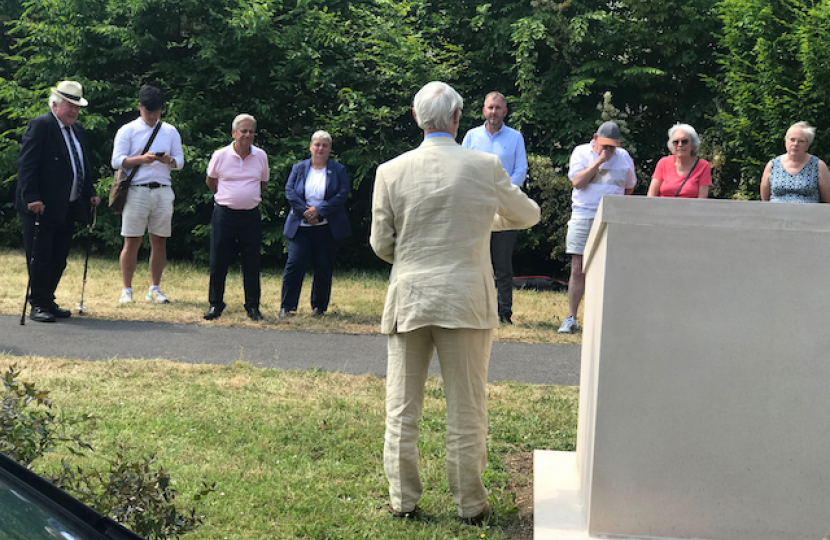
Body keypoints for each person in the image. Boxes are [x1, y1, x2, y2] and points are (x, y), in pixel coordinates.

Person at [370, 81, 540, 524]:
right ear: (458, 118)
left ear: (415, 117)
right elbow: (529, 214)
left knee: (402, 408)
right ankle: (470, 504)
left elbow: (380, 244)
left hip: (409, 295)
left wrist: (411, 257)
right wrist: (485, 221)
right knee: (467, 408)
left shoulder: (390, 170)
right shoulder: (484, 166)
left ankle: (402, 500)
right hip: (466, 299)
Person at [15, 80, 101, 323]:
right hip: (41, 206)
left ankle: (48, 298)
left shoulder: (78, 131)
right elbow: (27, 165)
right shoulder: (41, 125)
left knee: (59, 256)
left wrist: (90, 193)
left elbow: (83, 166)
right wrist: (31, 196)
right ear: (55, 104)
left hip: (68, 204)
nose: (74, 111)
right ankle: (38, 303)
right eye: (69, 106)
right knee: (40, 256)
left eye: (77, 107)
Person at [558, 121, 636, 334]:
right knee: (577, 268)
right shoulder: (581, 153)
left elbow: (629, 186)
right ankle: (571, 317)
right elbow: (577, 182)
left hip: (611, 217)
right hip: (584, 214)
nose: (610, 150)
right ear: (595, 138)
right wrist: (599, 161)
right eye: (605, 145)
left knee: (608, 268)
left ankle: (605, 319)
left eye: (613, 146)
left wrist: (614, 206)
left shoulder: (624, 157)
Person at [111, 85, 184, 304]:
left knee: (159, 240)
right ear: (139, 106)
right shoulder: (128, 130)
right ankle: (127, 289)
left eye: (157, 111)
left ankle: (154, 288)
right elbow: (116, 161)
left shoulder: (170, 131)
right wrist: (142, 159)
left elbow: (179, 162)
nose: (153, 116)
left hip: (162, 189)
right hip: (136, 190)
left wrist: (168, 160)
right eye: (148, 111)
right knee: (131, 240)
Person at [462, 91, 528, 325]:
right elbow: (463, 169)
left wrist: (503, 192)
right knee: (475, 261)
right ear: (483, 110)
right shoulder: (471, 137)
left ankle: (503, 313)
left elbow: (521, 170)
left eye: (498, 108)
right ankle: (476, 310)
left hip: (504, 209)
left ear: (505, 112)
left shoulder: (515, 137)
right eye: (490, 107)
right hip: (477, 209)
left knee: (502, 263)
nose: (494, 112)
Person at [203, 114, 269, 321]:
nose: (247, 135)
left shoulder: (261, 156)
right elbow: (211, 181)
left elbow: (262, 183)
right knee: (218, 260)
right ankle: (216, 304)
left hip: (250, 215)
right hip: (225, 214)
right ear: (234, 133)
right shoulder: (220, 155)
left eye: (251, 131)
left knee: (252, 261)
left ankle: (252, 306)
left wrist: (246, 196)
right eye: (243, 131)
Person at [279, 131, 351, 318]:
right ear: (311, 146)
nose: (320, 148)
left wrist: (319, 211)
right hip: (300, 227)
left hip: (327, 228)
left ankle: (319, 307)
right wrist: (306, 211)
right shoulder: (299, 168)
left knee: (323, 267)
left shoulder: (338, 170)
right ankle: (287, 307)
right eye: (317, 144)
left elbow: (342, 194)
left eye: (324, 145)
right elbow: (290, 191)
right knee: (294, 264)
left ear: (329, 149)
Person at [760, 121, 830, 203]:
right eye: (792, 140)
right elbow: (765, 199)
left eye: (801, 141)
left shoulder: (818, 166)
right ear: (786, 141)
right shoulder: (773, 165)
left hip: (808, 214)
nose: (795, 144)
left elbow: (828, 199)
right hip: (777, 214)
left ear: (807, 145)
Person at [647, 123, 712, 199]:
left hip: (690, 209)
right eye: (676, 142)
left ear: (693, 145)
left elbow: (702, 200)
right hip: (663, 209)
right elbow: (651, 197)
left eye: (684, 141)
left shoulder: (703, 166)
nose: (680, 145)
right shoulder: (663, 163)